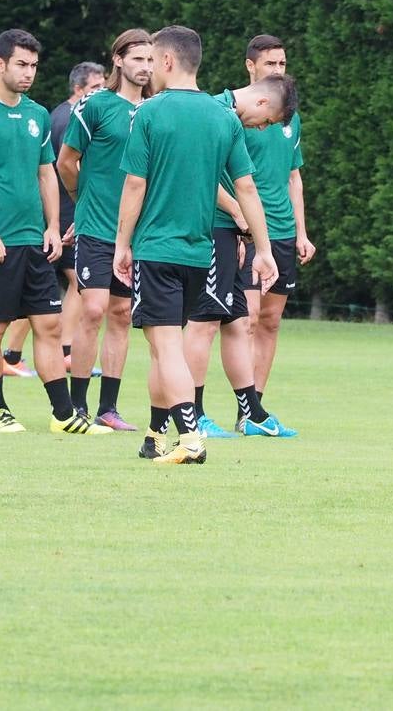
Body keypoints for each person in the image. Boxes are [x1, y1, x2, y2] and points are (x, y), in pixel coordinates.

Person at [113, 25, 277, 465]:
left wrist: (121, 244)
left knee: (166, 345)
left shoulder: (149, 113)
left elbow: (133, 184)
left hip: (156, 249)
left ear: (166, 61)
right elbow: (245, 187)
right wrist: (263, 249)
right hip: (200, 253)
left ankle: (190, 438)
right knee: (161, 345)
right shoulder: (222, 116)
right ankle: (153, 435)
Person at [0, 29, 108, 435]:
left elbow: (47, 174)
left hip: (33, 240)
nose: (28, 73)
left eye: (34, 66)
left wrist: (54, 226)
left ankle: (63, 416)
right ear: (0, 64)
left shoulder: (38, 114)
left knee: (49, 326)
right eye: (21, 65)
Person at [184, 73, 298, 440]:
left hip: (228, 231)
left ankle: (252, 412)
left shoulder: (230, 116)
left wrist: (246, 234)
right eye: (265, 121)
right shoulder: (215, 111)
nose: (262, 129)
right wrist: (236, 212)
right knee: (203, 322)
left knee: (235, 320)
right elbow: (200, 172)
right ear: (262, 103)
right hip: (208, 228)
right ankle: (192, 414)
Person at [58, 32, 153, 431]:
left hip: (135, 233)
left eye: (151, 59)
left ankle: (107, 408)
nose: (145, 67)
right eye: (138, 59)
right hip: (96, 227)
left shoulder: (156, 110)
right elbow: (66, 161)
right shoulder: (95, 106)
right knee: (93, 310)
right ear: (118, 60)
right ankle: (76, 406)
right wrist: (83, 203)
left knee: (120, 314)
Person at [225, 34, 315, 434]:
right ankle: (243, 406)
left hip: (281, 232)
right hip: (244, 228)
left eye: (282, 63)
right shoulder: (235, 112)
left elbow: (294, 177)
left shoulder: (288, 116)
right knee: (246, 319)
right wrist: (240, 220)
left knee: (272, 321)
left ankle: (255, 410)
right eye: (271, 64)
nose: (278, 70)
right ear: (251, 67)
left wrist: (302, 232)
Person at [1, 61, 104, 378]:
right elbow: (63, 167)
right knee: (77, 283)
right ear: (78, 89)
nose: (101, 94)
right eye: (96, 88)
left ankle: (13, 353)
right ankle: (64, 349)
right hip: (65, 214)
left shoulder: (56, 114)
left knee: (43, 290)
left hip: (54, 216)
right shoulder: (71, 118)